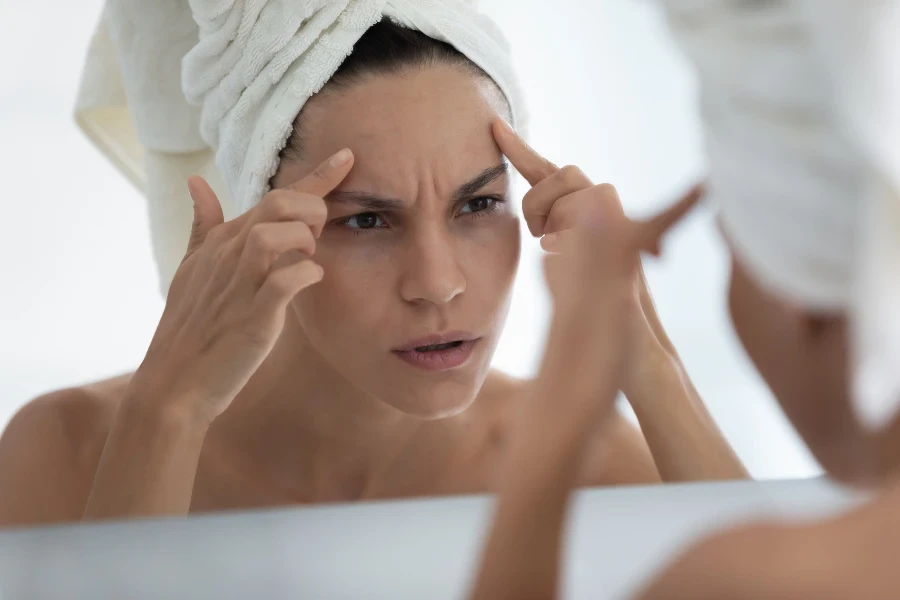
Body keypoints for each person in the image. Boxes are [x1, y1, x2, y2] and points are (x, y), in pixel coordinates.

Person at [0, 5, 745, 528]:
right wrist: (167, 413)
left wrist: (652, 366)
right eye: (366, 220)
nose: (438, 284)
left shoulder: (587, 466)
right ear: (259, 224)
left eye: (478, 206)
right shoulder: (69, 455)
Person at [469, 1, 900, 598]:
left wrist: (562, 398)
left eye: (730, 244)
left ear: (797, 295)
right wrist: (644, 355)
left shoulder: (750, 577)